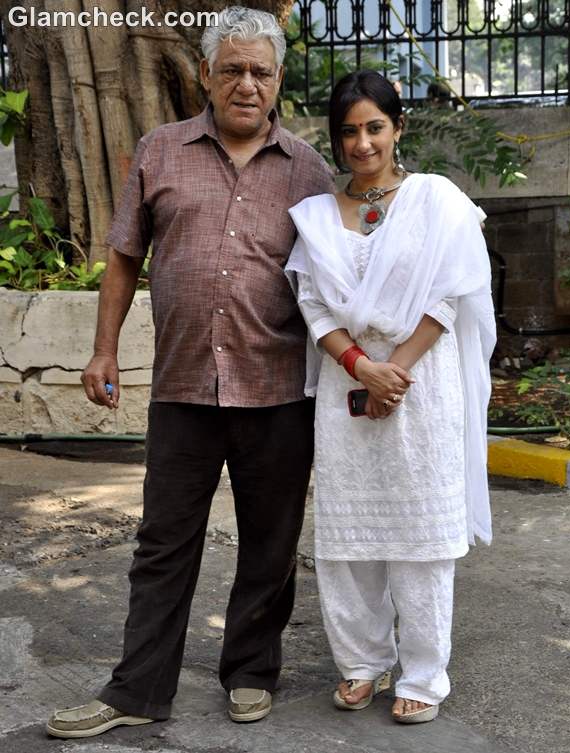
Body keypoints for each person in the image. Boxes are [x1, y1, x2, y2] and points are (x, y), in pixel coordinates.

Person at [46, 6, 335, 739]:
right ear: (204, 73)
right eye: (231, 69)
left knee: (271, 542)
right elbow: (123, 255)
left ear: (277, 81)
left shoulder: (308, 168)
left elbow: (343, 276)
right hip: (182, 385)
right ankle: (138, 687)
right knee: (164, 541)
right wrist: (104, 347)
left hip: (276, 386)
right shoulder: (161, 150)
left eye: (260, 72)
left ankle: (250, 669)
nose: (246, 84)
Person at [285, 70, 495, 724]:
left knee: (421, 536)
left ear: (399, 127)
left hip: (422, 385)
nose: (363, 142)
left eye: (375, 126)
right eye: (348, 131)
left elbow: (451, 291)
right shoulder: (319, 216)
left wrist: (393, 371)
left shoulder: (438, 202)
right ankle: (362, 661)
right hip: (348, 389)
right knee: (348, 538)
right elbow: (313, 305)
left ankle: (425, 674)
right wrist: (360, 367)